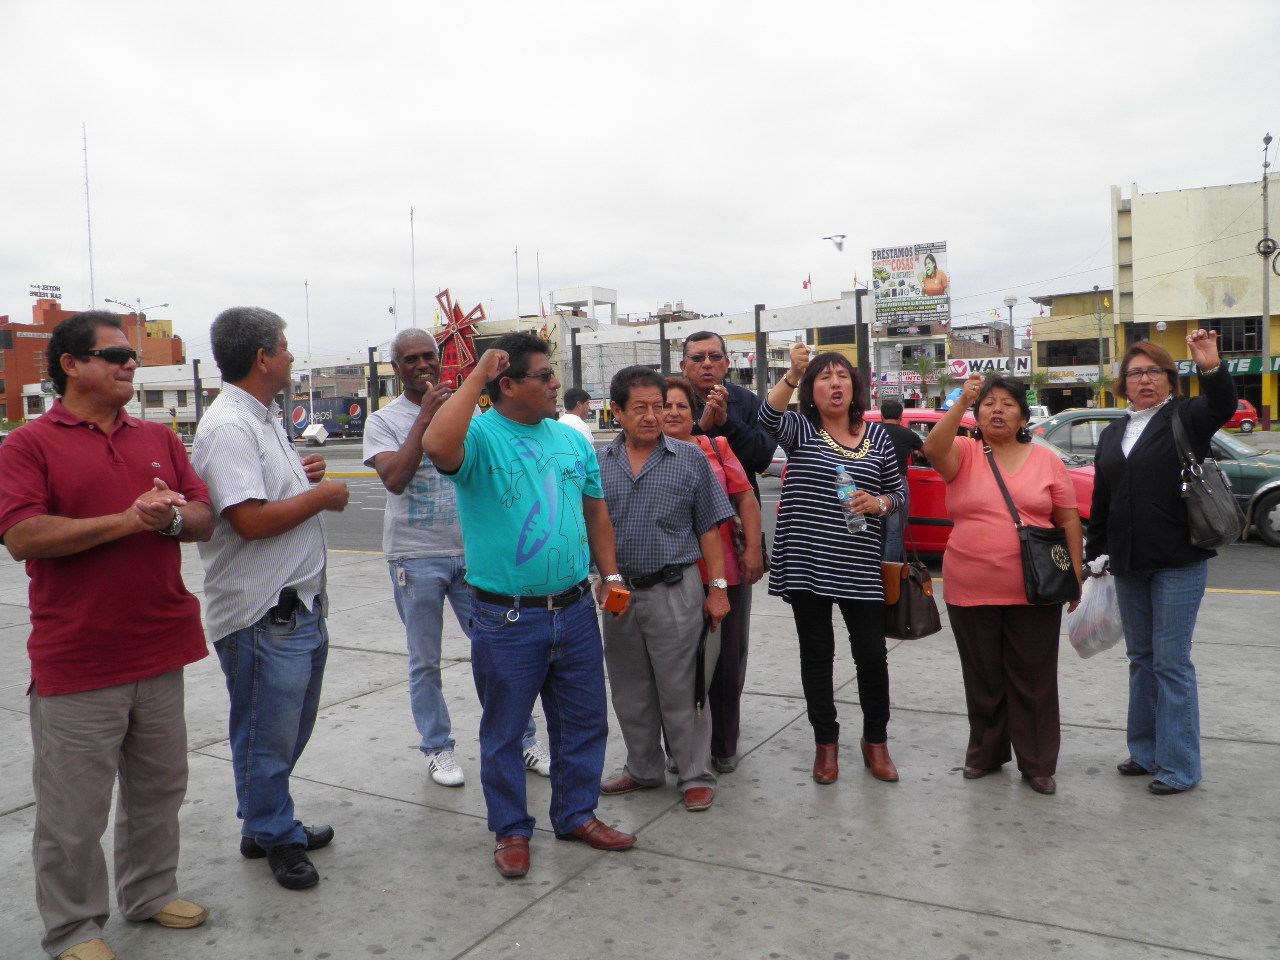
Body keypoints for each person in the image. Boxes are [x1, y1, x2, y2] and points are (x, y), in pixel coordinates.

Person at [0, 311, 214, 960]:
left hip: (160, 645)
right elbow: (22, 536)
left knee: (159, 790)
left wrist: (172, 521)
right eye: (115, 355)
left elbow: (203, 514)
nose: (129, 365)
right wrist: (131, 520)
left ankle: (149, 894)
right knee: (74, 813)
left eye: (133, 358)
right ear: (70, 364)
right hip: (79, 658)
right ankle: (74, 928)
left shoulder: (159, 436)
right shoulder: (27, 445)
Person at [422, 332, 635, 880]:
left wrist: (610, 576)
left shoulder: (571, 440)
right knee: (505, 730)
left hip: (575, 609)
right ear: (507, 384)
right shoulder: (480, 435)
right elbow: (436, 448)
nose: (555, 384)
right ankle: (512, 830)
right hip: (506, 616)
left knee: (584, 721)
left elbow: (596, 516)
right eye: (544, 375)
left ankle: (576, 814)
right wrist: (475, 377)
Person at [193, 307, 349, 891]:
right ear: (262, 358)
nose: (290, 356)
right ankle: (275, 836)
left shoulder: (263, 418)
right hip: (265, 613)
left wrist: (300, 477)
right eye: (283, 347)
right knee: (267, 734)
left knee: (277, 732)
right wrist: (322, 496)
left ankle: (264, 821)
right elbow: (251, 522)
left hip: (297, 607)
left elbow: (262, 493)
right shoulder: (231, 425)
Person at [363, 329, 550, 788]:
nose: (422, 365)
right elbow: (395, 478)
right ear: (396, 369)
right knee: (425, 661)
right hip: (415, 556)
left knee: (501, 653)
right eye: (410, 360)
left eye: (429, 356)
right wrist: (425, 418)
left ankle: (524, 739)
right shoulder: (383, 421)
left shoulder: (465, 407)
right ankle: (438, 749)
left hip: (473, 555)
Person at [1085, 331, 1235, 796]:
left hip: (1177, 560)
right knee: (1141, 659)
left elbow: (1221, 405)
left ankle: (1181, 766)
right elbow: (1103, 500)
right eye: (1136, 373)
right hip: (1129, 564)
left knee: (1171, 663)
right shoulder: (1112, 433)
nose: (1145, 379)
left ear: (1169, 379)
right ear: (1123, 384)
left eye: (1154, 371)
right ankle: (1146, 751)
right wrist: (1096, 554)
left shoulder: (1186, 417)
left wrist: (1210, 366)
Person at [921, 373, 1082, 796]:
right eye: (989, 402)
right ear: (976, 413)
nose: (997, 409)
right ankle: (987, 754)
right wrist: (960, 404)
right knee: (983, 678)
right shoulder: (965, 451)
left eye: (1008, 403)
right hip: (969, 585)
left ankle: (1038, 762)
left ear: (1024, 416)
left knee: (1034, 680)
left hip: (1036, 589)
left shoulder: (1046, 460)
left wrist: (1075, 576)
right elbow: (931, 448)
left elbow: (1067, 519)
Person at [760, 342, 905, 785]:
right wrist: (791, 375)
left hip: (860, 565)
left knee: (871, 656)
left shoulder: (878, 435)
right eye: (824, 377)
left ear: (854, 386)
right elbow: (765, 419)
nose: (834, 383)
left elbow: (898, 493)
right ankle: (826, 744)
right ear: (812, 390)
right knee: (817, 656)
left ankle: (875, 742)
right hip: (807, 562)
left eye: (841, 375)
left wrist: (877, 502)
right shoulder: (801, 429)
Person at [597, 367, 736, 811]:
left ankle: (694, 774)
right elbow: (589, 529)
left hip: (676, 589)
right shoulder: (597, 464)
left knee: (684, 688)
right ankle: (643, 768)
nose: (653, 416)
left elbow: (710, 530)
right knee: (629, 689)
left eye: (659, 406)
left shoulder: (690, 458)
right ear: (616, 411)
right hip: (620, 595)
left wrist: (718, 589)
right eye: (640, 408)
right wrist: (602, 578)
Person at [662, 376, 764, 773]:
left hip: (727, 575)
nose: (671, 413)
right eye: (663, 406)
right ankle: (679, 748)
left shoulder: (717, 448)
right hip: (673, 577)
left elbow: (747, 499)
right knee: (677, 667)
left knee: (725, 664)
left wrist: (753, 550)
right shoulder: (649, 453)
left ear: (696, 414)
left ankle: (723, 745)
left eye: (681, 406)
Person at [679, 331, 776, 500]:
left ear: (726, 364)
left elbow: (762, 459)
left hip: (739, 509)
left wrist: (726, 423)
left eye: (715, 357)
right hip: (683, 507)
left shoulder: (749, 401)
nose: (707, 363)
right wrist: (700, 429)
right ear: (683, 367)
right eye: (697, 358)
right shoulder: (669, 402)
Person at [877, 399, 924, 561]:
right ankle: (890, 572)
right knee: (894, 532)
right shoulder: (908, 434)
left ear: (881, 416)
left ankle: (877, 569)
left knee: (879, 531)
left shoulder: (872, 431)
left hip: (875, 484)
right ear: (901, 417)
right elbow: (927, 452)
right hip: (897, 484)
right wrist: (916, 452)